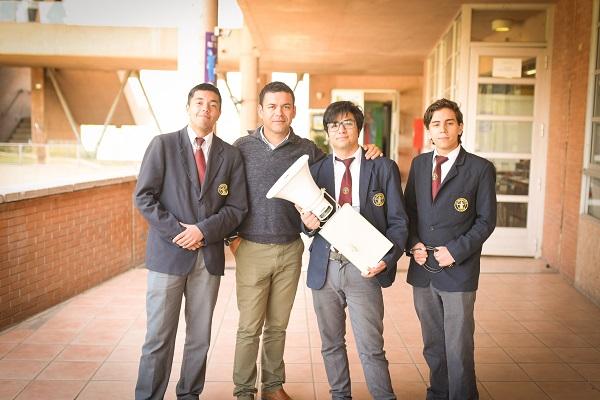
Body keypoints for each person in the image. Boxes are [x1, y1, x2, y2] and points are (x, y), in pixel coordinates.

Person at [230, 82, 382, 400]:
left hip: (291, 248)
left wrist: (369, 152)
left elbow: (340, 164)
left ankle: (272, 387)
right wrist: (232, 239)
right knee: (248, 327)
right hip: (251, 248)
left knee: (277, 326)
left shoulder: (308, 150)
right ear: (260, 110)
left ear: (294, 111)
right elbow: (226, 195)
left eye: (286, 106)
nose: (279, 112)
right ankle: (243, 391)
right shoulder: (241, 147)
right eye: (271, 106)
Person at [134, 83, 248, 400]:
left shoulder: (231, 155)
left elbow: (237, 207)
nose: (205, 109)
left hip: (207, 258)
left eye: (213, 104)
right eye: (199, 102)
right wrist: (178, 231)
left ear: (219, 111)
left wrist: (203, 231)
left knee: (199, 337)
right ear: (188, 107)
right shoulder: (163, 145)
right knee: (158, 336)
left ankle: (189, 394)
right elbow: (144, 197)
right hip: (167, 257)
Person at [298, 101, 409, 400]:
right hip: (326, 267)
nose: (341, 129)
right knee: (331, 344)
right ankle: (339, 396)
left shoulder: (382, 167)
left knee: (371, 346)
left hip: (366, 267)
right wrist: (307, 224)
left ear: (359, 128)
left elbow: (399, 222)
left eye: (347, 123)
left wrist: (387, 260)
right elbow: (308, 223)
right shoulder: (315, 171)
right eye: (334, 125)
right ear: (326, 132)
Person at [405, 98, 496, 400]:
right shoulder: (419, 165)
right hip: (423, 269)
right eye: (435, 124)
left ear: (459, 127)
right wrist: (413, 243)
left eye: (449, 123)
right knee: (432, 343)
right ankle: (438, 393)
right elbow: (409, 213)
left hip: (458, 270)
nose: (442, 129)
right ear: (428, 131)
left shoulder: (480, 169)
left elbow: (486, 221)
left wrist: (455, 251)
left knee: (458, 345)